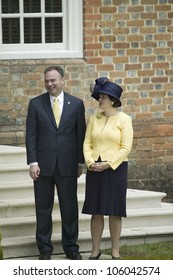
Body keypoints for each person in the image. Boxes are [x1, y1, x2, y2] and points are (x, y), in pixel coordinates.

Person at [26, 65, 86, 260]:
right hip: (42, 166)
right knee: (43, 209)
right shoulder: (36, 104)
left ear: (62, 80)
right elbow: (31, 136)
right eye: (46, 80)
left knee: (69, 209)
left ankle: (71, 248)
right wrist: (33, 162)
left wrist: (80, 163)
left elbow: (80, 135)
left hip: (68, 166)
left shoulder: (76, 104)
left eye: (53, 80)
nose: (49, 84)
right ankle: (44, 249)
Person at [82, 77, 133, 260]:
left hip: (115, 169)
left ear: (112, 100)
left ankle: (115, 250)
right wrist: (90, 162)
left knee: (114, 210)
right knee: (96, 210)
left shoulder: (124, 119)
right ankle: (95, 250)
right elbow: (87, 143)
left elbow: (126, 147)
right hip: (95, 168)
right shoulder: (94, 118)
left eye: (103, 97)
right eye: (99, 97)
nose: (99, 101)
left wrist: (109, 163)